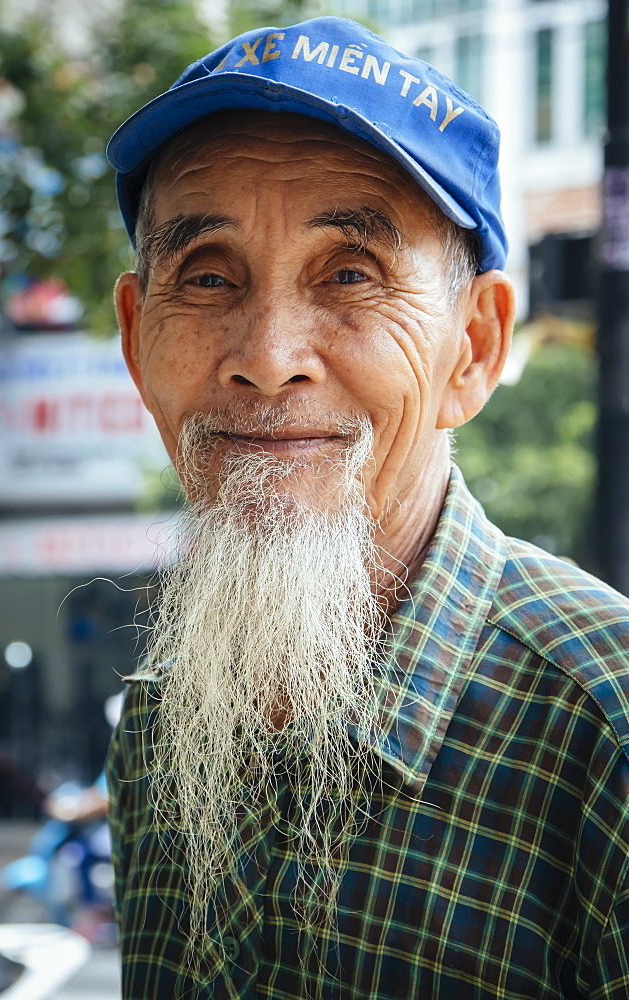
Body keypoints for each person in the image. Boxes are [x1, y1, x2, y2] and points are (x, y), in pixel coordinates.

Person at [105, 16, 629, 1000]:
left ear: (471, 350)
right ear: (137, 344)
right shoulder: (157, 718)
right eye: (207, 274)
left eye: (348, 273)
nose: (267, 356)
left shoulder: (604, 734)